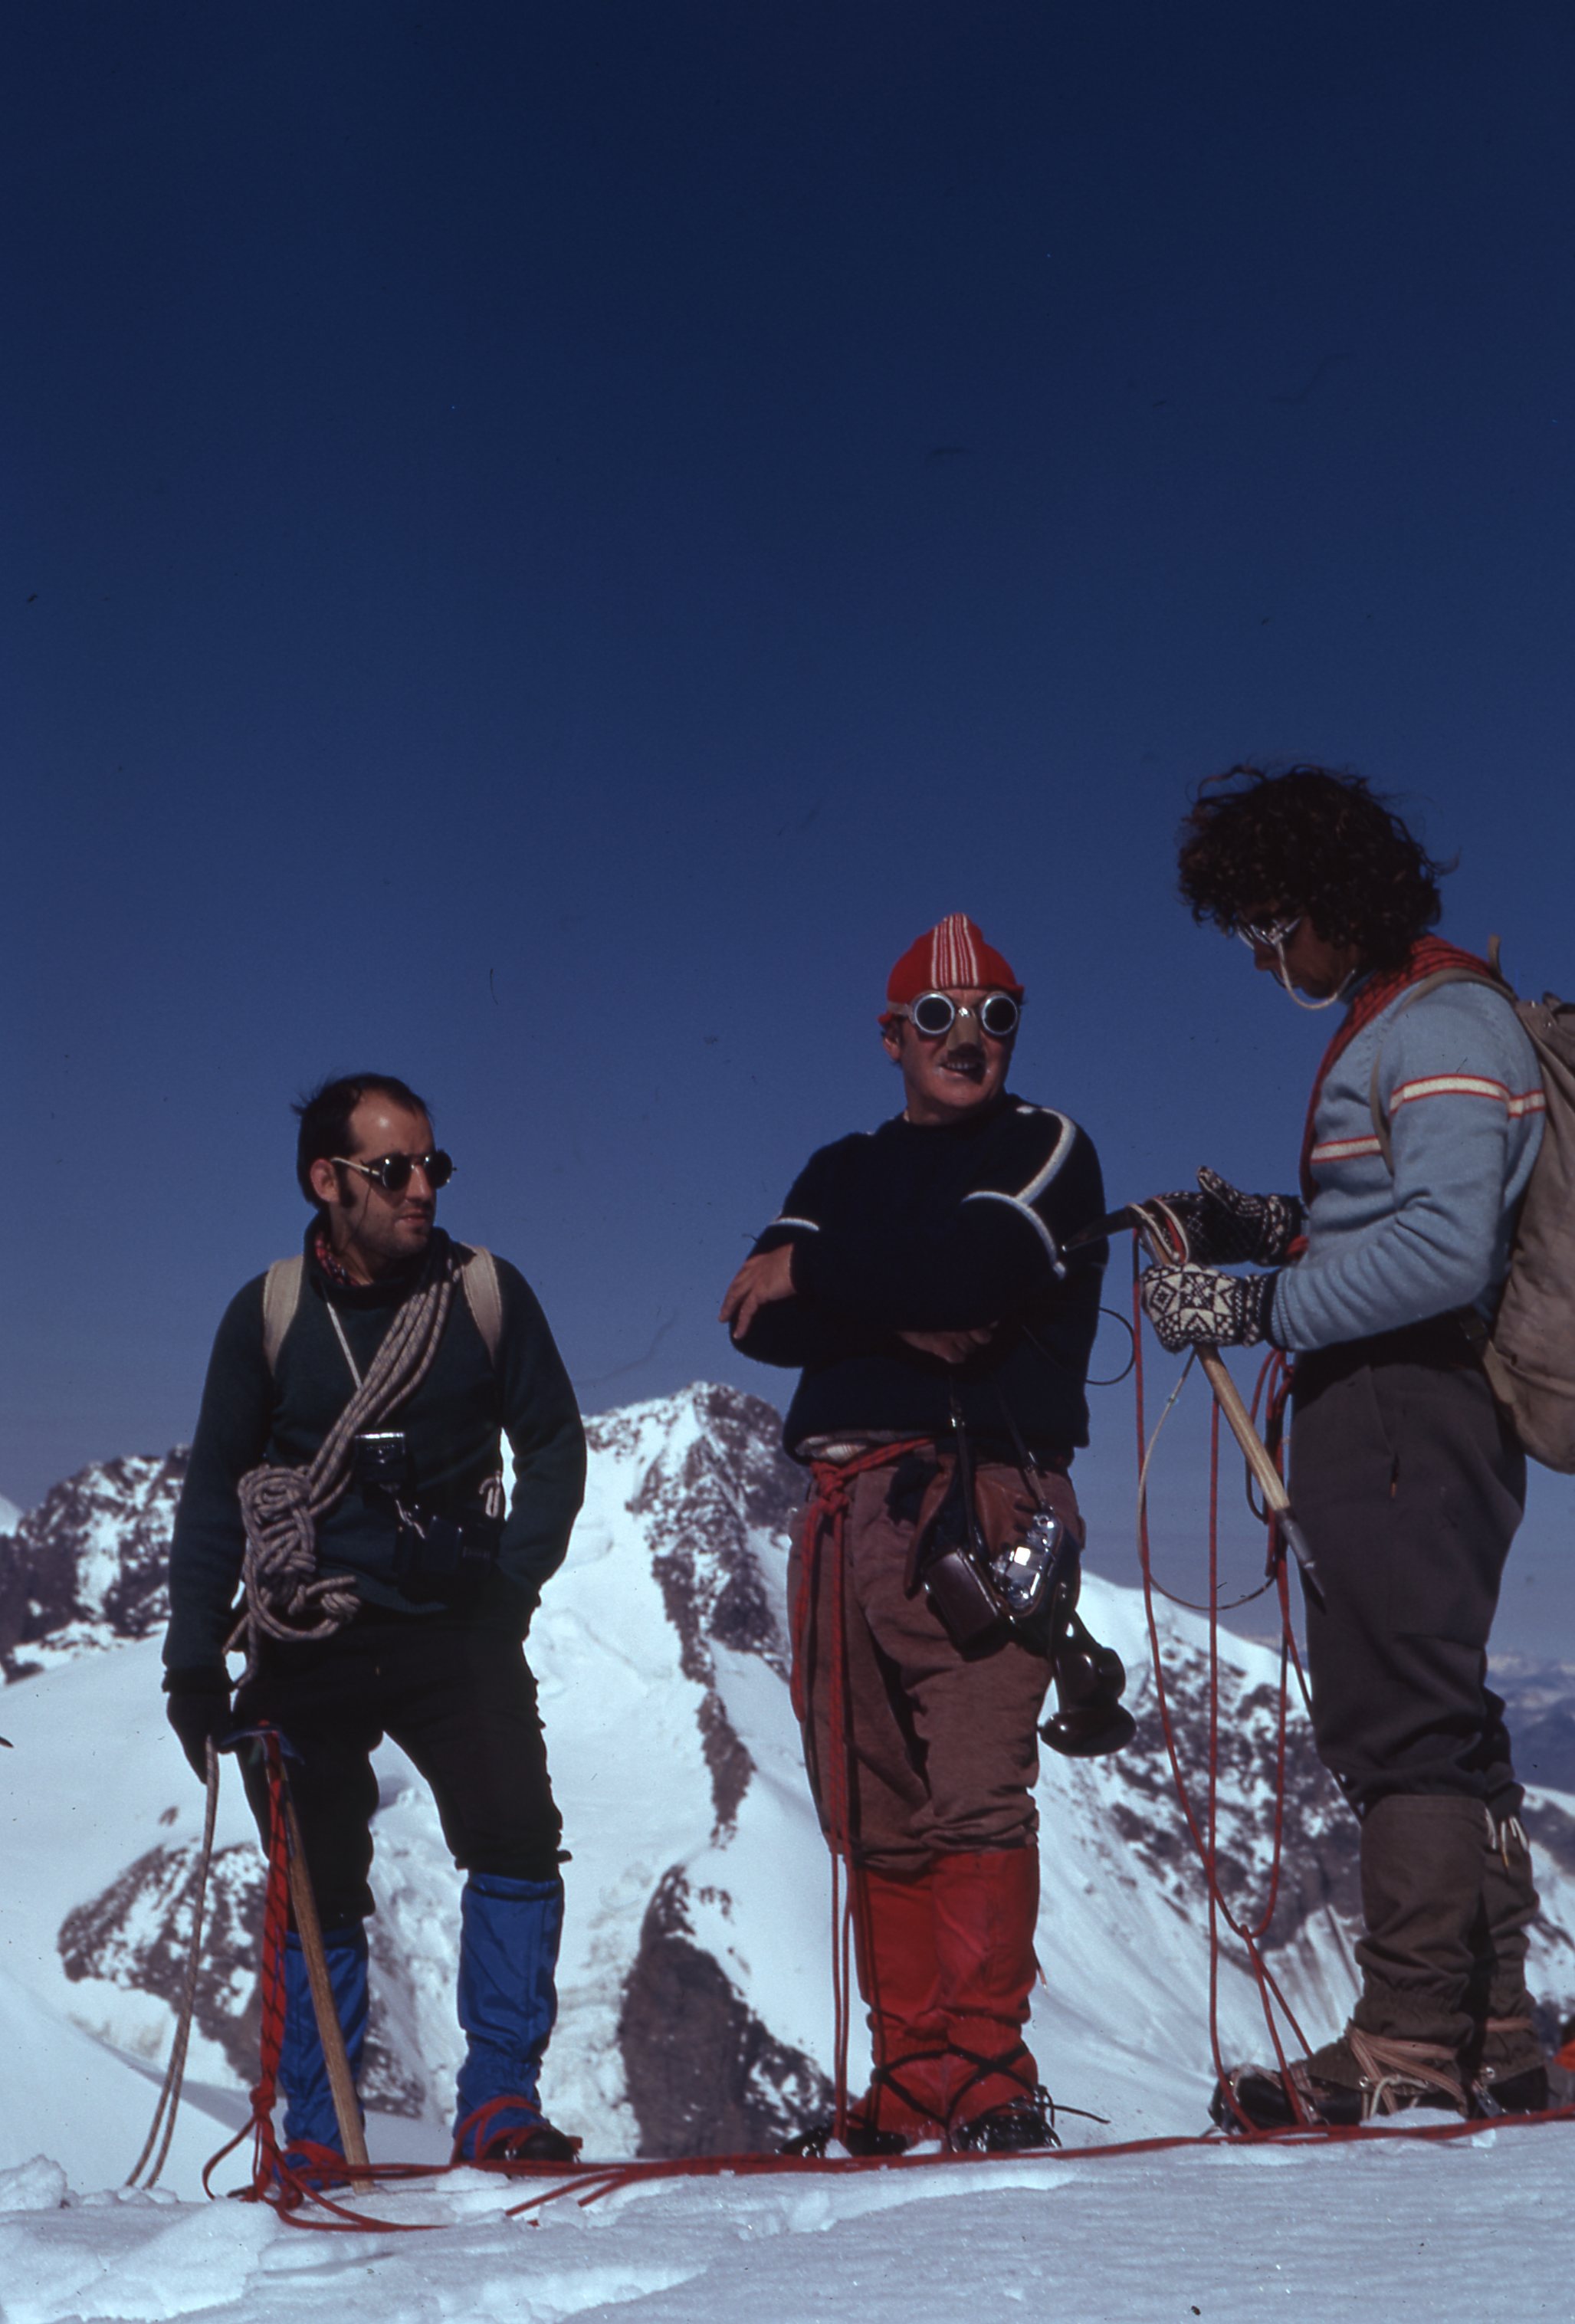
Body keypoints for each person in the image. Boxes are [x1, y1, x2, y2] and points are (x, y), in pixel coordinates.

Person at [1140, 765, 1547, 2126]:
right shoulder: (1424, 1014)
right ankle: (1493, 2027)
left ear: (1331, 901)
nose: (1267, 962)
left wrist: (1252, 1303)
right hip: (1416, 1407)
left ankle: (1410, 2039)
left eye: (1270, 929)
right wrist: (1279, 1226)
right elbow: (1406, 1214)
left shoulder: (1438, 1023)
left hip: (1398, 1407)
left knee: (1398, 1714)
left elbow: (1442, 1250)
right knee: (1440, 1698)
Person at [721, 914, 1109, 2155]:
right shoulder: (843, 1166)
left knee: (975, 1791)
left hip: (978, 1496)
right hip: (843, 1515)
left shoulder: (1044, 1146)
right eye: (938, 1016)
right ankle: (914, 2076)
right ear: (891, 1036)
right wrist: (908, 1290)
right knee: (871, 1803)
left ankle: (986, 2074)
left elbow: (977, 1278)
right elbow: (756, 1319)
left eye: (996, 1015)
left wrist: (822, 1276)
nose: (968, 1037)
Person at [162, 1074, 586, 2171]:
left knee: (515, 1837)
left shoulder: (482, 1294)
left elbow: (554, 1447)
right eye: (391, 1170)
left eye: (431, 1166)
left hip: (457, 1625)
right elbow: (216, 1494)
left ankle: (499, 2106)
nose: (420, 1189)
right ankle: (320, 2136)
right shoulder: (269, 1314)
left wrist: (509, 1589)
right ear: (326, 1179)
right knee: (318, 1877)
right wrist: (193, 1663)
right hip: (310, 1632)